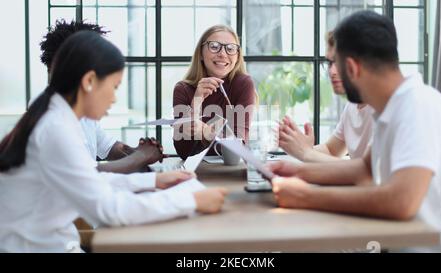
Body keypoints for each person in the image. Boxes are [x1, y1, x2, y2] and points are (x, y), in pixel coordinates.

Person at [0, 31, 227, 252]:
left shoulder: (57, 118)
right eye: (114, 86)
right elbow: (108, 209)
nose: (114, 98)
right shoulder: (56, 131)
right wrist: (192, 201)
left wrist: (155, 180)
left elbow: (91, 179)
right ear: (89, 81)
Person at [268, 11, 441, 250]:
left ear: (352, 68)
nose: (333, 72)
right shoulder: (392, 107)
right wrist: (296, 171)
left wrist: (305, 197)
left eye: (336, 63)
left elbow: (402, 201)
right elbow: (364, 169)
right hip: (394, 241)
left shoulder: (417, 106)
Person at [40, 19, 163, 174]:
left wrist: (137, 152)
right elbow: (89, 175)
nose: (114, 98)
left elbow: (107, 146)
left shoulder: (76, 110)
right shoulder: (52, 120)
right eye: (112, 86)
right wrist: (140, 157)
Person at [278, 31, 374, 163]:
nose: (332, 72)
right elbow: (331, 150)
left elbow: (365, 173)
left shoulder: (384, 108)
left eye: (339, 61)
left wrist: (306, 152)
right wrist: (299, 148)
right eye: (329, 63)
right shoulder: (352, 106)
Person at [172, 25, 257, 160]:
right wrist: (197, 101)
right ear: (200, 53)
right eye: (214, 46)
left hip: (230, 171)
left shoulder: (243, 84)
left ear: (237, 56)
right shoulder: (183, 89)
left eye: (230, 48)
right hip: (197, 173)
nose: (223, 54)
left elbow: (238, 145)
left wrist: (206, 131)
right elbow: (183, 152)